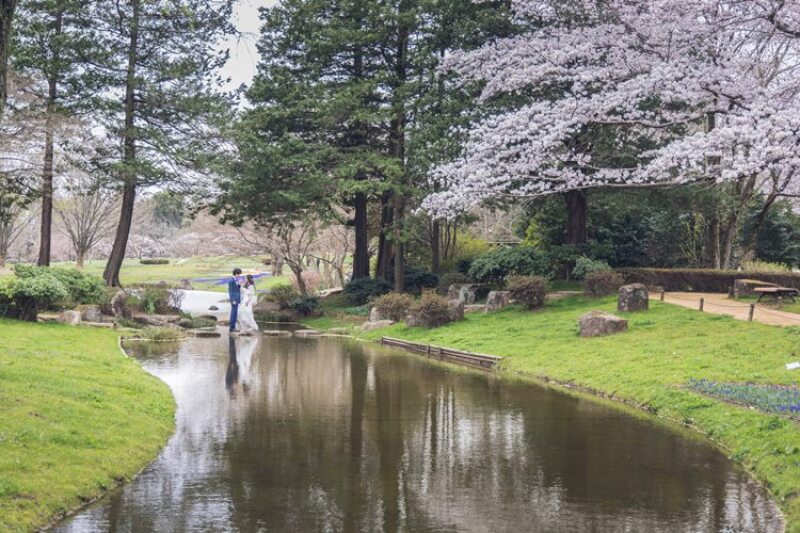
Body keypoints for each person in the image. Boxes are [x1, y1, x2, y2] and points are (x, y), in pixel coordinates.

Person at [228, 268, 242, 333]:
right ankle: (232, 327)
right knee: (233, 313)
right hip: (234, 299)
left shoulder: (236, 279)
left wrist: (240, 284)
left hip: (237, 298)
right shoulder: (231, 280)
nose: (239, 276)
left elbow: (238, 288)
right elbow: (230, 291)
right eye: (238, 274)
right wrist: (232, 299)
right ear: (235, 273)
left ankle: (233, 327)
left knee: (235, 313)